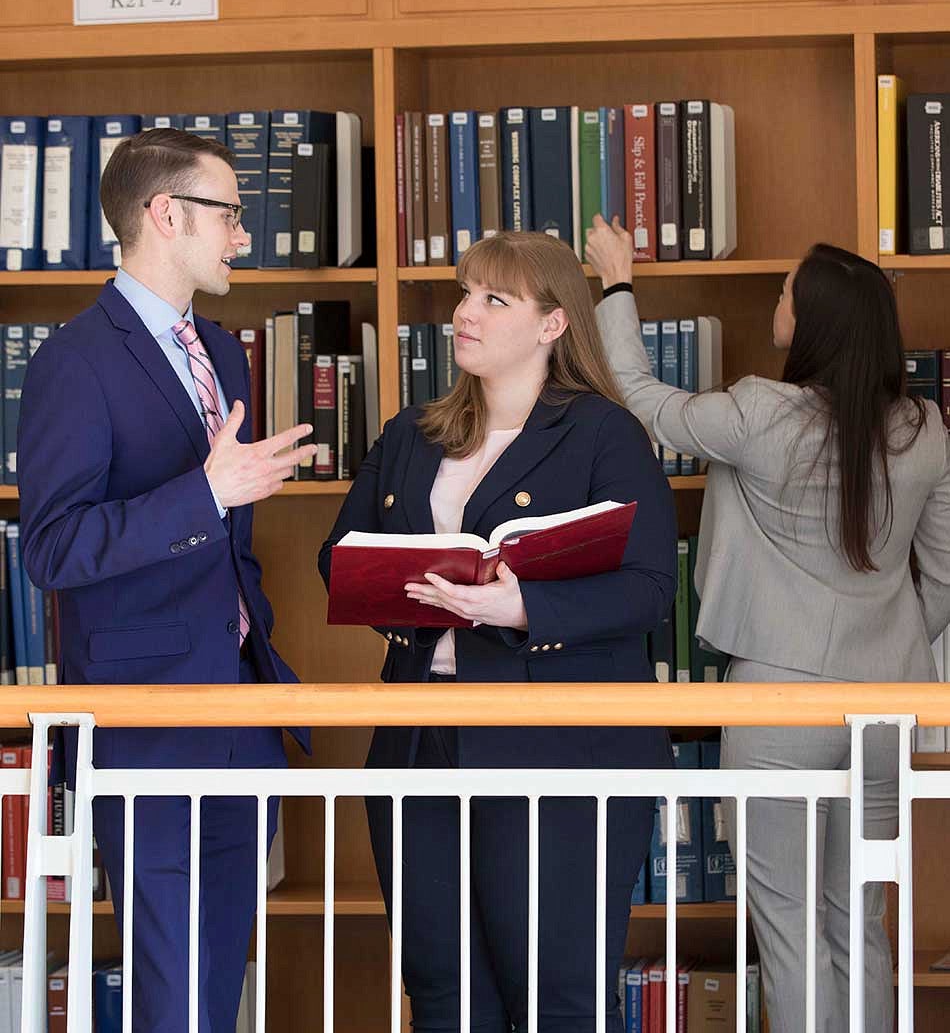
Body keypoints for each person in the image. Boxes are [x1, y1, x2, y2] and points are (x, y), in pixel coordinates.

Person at [586, 213, 950, 1033]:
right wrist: (884, 641)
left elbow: (642, 395)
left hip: (778, 699)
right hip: (890, 704)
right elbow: (949, 569)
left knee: (787, 929)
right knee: (859, 918)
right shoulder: (926, 428)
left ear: (812, 321)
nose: (777, 298)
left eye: (787, 290)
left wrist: (616, 283)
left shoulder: (761, 415)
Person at [318, 230, 676, 1033]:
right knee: (444, 992)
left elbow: (650, 589)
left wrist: (521, 609)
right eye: (464, 293)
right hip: (420, 734)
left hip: (558, 740)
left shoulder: (602, 433)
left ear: (553, 324)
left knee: (554, 994)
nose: (463, 314)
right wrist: (415, 593)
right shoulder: (412, 434)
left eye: (493, 299)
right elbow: (338, 558)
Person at [17, 128, 317, 1033]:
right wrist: (207, 492)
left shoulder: (224, 354)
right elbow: (52, 548)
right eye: (228, 214)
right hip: (144, 718)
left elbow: (234, 543)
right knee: (169, 979)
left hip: (241, 710)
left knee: (219, 971)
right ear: (165, 214)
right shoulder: (74, 361)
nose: (241, 236)